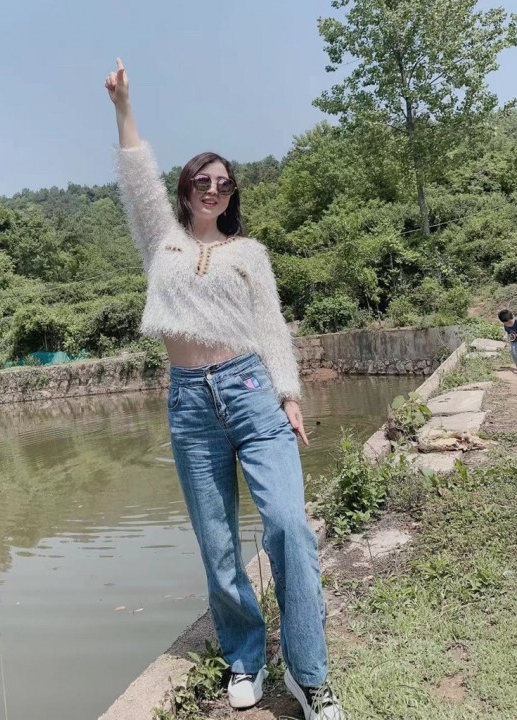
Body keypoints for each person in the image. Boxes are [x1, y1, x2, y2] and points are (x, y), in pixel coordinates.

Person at [104, 58, 345, 720]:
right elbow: (136, 182)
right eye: (202, 181)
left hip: (251, 391)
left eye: (224, 183)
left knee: (289, 525)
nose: (213, 189)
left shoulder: (249, 254)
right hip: (189, 403)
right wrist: (123, 107)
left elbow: (272, 327)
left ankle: (309, 673)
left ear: (232, 194)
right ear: (185, 189)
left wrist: (290, 396)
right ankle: (246, 655)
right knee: (217, 544)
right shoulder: (162, 244)